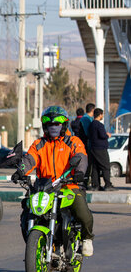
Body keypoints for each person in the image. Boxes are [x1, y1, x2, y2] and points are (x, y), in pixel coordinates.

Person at [11, 106, 94, 256]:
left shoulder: (73, 141)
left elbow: (81, 157)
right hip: (44, 187)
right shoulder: (39, 144)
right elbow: (29, 159)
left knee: (82, 210)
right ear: (45, 126)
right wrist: (20, 171)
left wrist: (80, 172)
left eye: (57, 124)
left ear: (63, 125)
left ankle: (87, 238)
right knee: (26, 213)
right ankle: (37, 245)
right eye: (50, 125)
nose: (53, 127)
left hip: (68, 185)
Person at [88, 108, 114, 191]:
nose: (102, 116)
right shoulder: (99, 125)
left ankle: (96, 185)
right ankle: (108, 185)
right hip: (101, 149)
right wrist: (107, 135)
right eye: (102, 114)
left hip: (93, 148)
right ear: (100, 115)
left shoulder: (91, 124)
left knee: (95, 167)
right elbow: (102, 136)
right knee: (105, 166)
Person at [81, 103, 96, 188]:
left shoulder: (88, 118)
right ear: (92, 110)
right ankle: (85, 183)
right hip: (87, 146)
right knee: (88, 165)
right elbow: (88, 133)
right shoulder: (86, 119)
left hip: (88, 145)